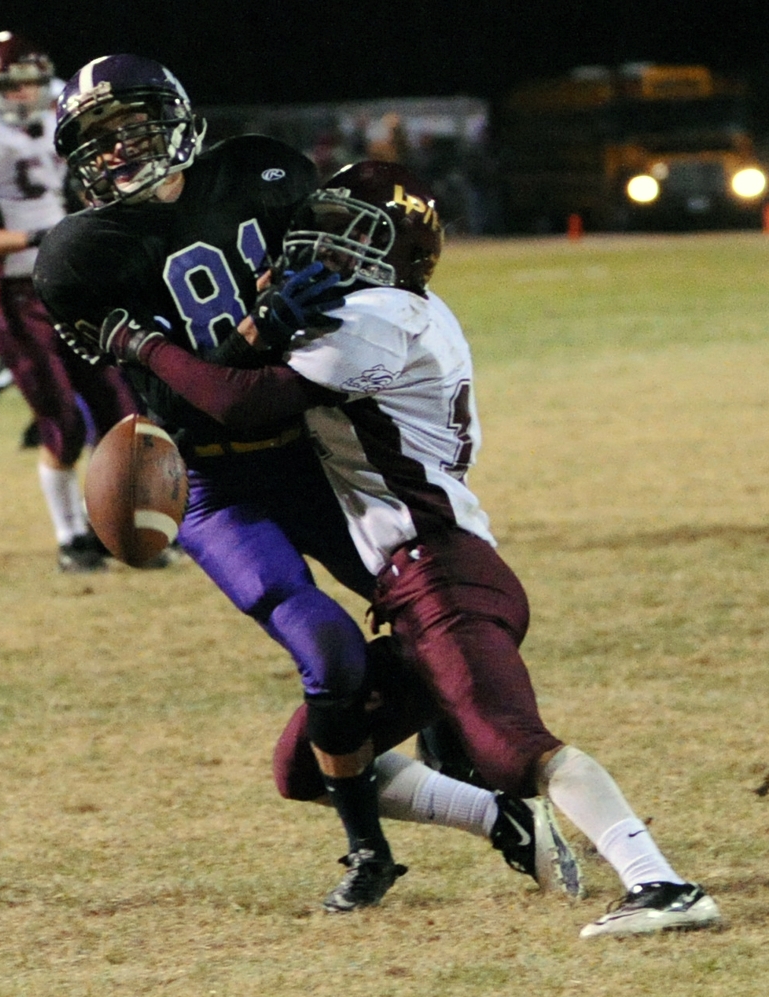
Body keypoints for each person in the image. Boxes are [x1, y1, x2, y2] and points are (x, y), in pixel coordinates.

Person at [87, 159, 723, 938]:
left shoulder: (371, 317)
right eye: (314, 229)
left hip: (439, 572)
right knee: (309, 762)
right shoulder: (397, 309)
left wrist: (137, 342)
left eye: (345, 236)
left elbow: (237, 403)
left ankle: (660, 883)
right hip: (413, 580)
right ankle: (498, 819)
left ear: (399, 250)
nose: (317, 248)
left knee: (509, 744)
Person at [33, 54, 582, 912]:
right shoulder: (75, 258)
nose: (118, 147)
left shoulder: (264, 170)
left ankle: (479, 756)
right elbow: (189, 386)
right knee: (326, 650)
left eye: (132, 123)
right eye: (98, 139)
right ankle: (372, 849)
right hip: (212, 476)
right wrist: (253, 335)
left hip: (315, 454)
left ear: (173, 114)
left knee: (433, 614)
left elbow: (345, 278)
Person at [0, 31, 140, 572]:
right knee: (62, 425)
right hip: (12, 293)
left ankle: (113, 529)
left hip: (67, 286)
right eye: (13, 84)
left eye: (30, 82)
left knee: (120, 415)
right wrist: (43, 237)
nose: (25, 93)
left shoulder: (57, 115)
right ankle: (71, 537)